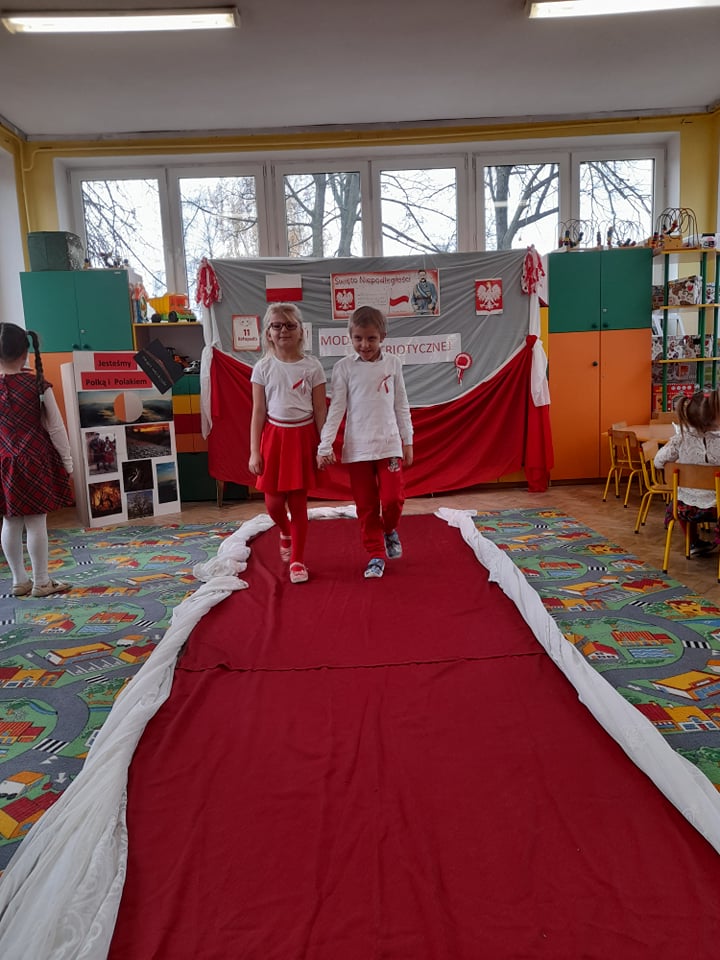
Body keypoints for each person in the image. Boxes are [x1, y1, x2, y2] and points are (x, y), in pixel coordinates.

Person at [317, 305, 413, 579]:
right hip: (358, 449)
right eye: (358, 338)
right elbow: (337, 408)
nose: (364, 345)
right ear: (350, 337)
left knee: (392, 499)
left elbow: (401, 404)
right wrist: (325, 445)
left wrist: (407, 440)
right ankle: (375, 554)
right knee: (366, 506)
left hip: (389, 445)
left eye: (371, 338)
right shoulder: (344, 368)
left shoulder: (393, 364)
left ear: (383, 337)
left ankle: (389, 529)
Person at [249, 303, 327, 584]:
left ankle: (298, 560)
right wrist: (254, 451)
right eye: (277, 325)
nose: (284, 330)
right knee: (273, 504)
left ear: (301, 331)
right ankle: (285, 530)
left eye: (290, 325)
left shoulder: (312, 366)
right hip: (274, 438)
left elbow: (320, 410)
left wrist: (324, 446)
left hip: (302, 438)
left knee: (298, 503)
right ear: (268, 333)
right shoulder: (262, 368)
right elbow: (258, 411)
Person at [0, 322, 73, 598]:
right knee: (36, 522)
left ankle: (19, 581)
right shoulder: (37, 383)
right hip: (35, 460)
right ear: (25, 352)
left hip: (4, 462)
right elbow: (56, 426)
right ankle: (41, 582)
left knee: (10, 521)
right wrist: (67, 461)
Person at [654, 389, 720, 557]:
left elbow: (658, 462)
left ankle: (692, 542)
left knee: (680, 497)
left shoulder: (680, 439)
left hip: (686, 508)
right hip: (717, 508)